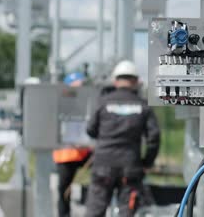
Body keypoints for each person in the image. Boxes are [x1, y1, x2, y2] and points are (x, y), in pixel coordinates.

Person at [85, 60, 160, 217]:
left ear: (115, 80)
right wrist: (147, 162)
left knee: (95, 211)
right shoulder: (143, 105)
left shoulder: (103, 102)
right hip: (130, 166)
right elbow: (154, 137)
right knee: (127, 212)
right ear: (136, 82)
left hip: (103, 165)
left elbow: (90, 130)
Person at [53, 72, 93, 217]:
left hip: (85, 151)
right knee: (64, 189)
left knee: (102, 176)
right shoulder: (59, 104)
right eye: (77, 86)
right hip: (66, 153)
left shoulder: (87, 104)